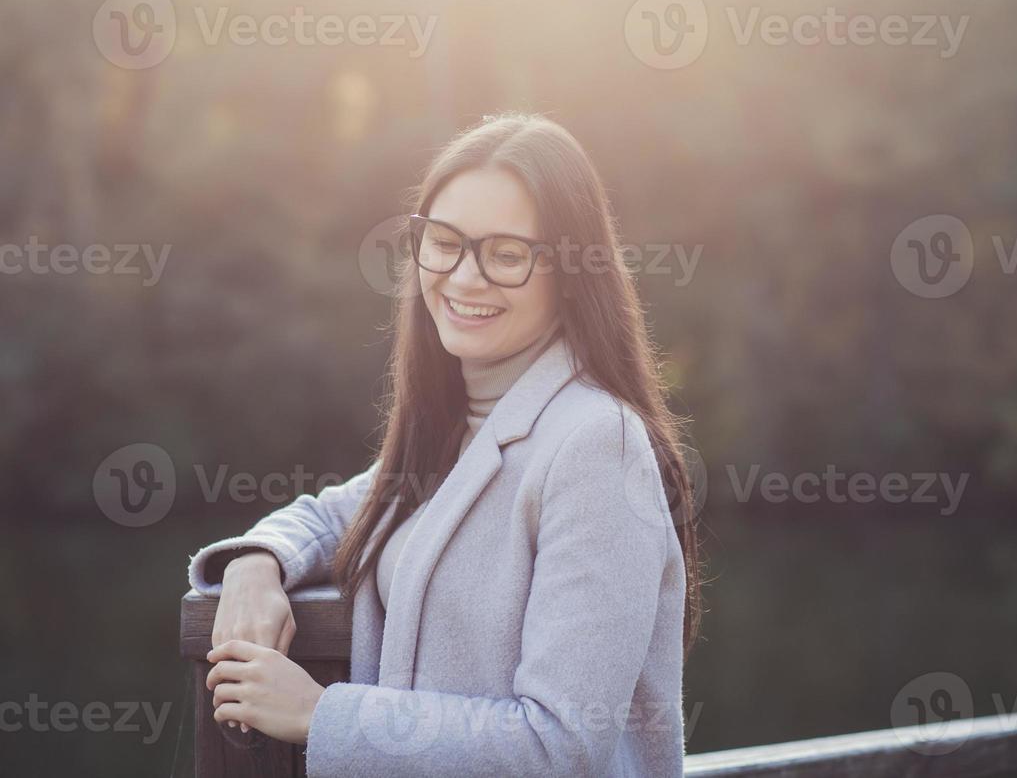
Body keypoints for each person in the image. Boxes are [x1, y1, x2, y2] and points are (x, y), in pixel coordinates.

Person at [187, 112, 702, 776]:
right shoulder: (456, 427)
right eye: (444, 242)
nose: (463, 277)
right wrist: (256, 567)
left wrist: (322, 716)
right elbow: (328, 517)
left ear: (572, 270)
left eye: (507, 253)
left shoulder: (596, 445)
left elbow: (562, 746)